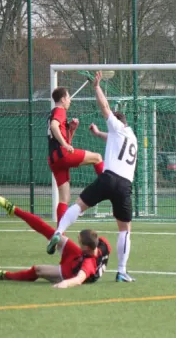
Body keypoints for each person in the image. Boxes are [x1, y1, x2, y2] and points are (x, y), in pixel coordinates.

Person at [45, 71, 138, 283]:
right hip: (125, 185)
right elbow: (113, 140)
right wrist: (98, 134)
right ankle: (122, 271)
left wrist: (97, 86)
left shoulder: (114, 125)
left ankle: (59, 231)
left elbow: (105, 108)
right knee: (125, 230)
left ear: (116, 122)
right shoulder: (131, 137)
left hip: (107, 179)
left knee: (77, 205)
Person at [0, 197, 111, 289]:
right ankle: (15, 210)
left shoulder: (88, 264)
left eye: (79, 242)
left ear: (87, 247)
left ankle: (5, 276)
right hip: (78, 256)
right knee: (53, 233)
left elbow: (78, 279)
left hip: (70, 271)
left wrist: (65, 283)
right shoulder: (103, 243)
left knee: (38, 270)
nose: (77, 241)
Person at [48, 86, 105, 223]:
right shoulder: (60, 111)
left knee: (64, 199)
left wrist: (71, 130)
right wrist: (66, 145)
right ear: (62, 99)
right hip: (61, 154)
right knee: (97, 157)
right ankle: (107, 185)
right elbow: (54, 127)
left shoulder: (53, 112)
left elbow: (61, 136)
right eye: (68, 98)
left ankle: (59, 234)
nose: (70, 101)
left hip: (53, 159)